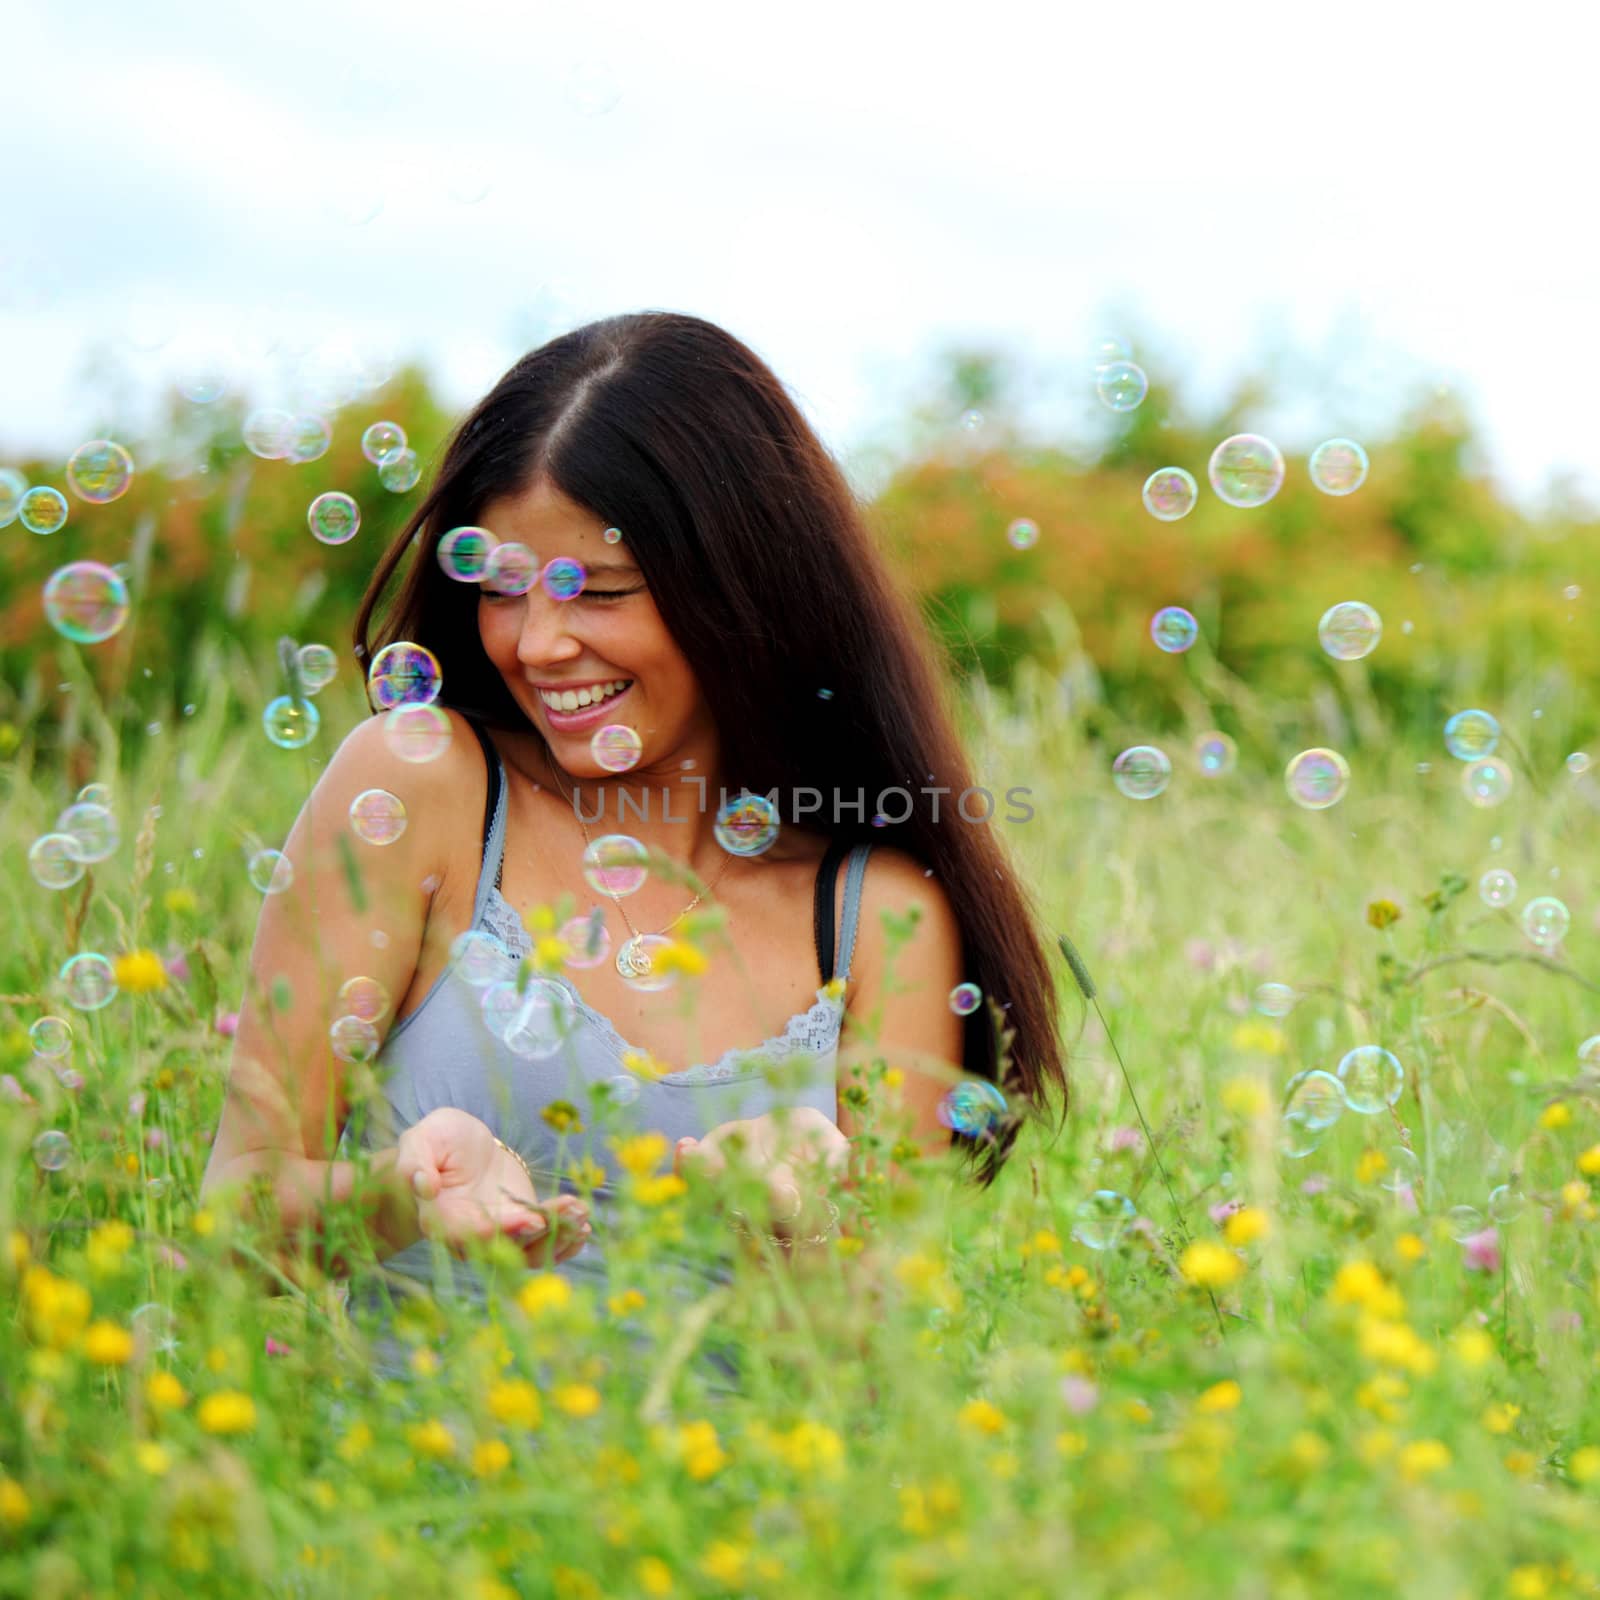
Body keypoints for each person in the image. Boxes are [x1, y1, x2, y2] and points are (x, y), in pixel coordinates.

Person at [200, 310, 1068, 1384]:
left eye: (596, 593)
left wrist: (795, 1234)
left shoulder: (875, 911)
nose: (537, 641)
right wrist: (397, 1197)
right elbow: (228, 1225)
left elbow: (870, 1362)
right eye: (501, 587)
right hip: (410, 1535)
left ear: (741, 585)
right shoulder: (421, 784)